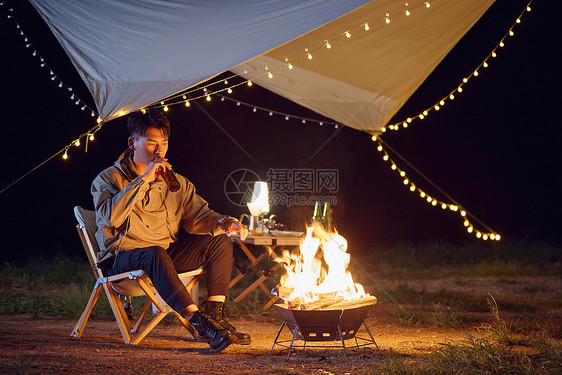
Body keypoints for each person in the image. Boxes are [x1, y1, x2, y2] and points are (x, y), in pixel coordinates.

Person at [91, 109, 250, 353]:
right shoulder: (108, 178)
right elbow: (109, 218)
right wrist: (143, 179)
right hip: (123, 260)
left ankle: (215, 316)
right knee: (153, 253)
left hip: (162, 258)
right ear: (132, 143)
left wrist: (226, 223)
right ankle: (201, 324)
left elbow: (200, 215)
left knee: (218, 241)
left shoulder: (176, 182)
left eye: (164, 143)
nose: (159, 150)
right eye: (152, 142)